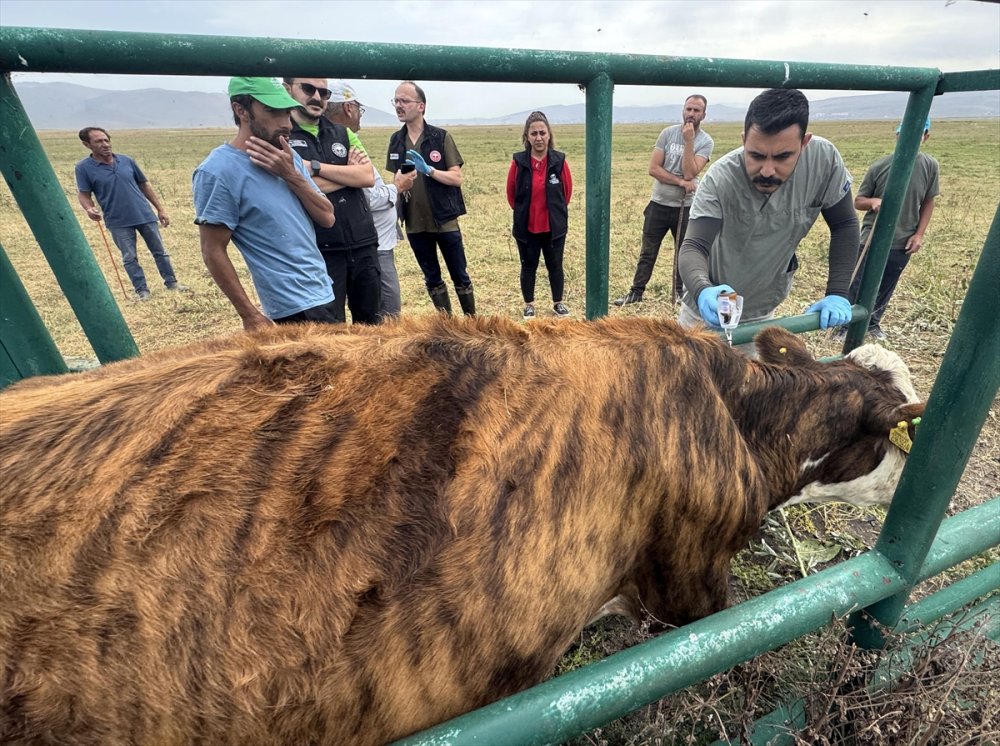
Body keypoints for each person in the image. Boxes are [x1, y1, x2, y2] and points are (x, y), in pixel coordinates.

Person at [677, 88, 859, 352]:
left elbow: (844, 224)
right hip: (707, 310)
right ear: (743, 141)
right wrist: (703, 290)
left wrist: (837, 292)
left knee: (747, 385)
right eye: (756, 155)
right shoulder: (721, 178)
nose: (767, 171)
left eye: (783, 156)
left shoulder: (824, 163)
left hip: (760, 309)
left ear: (804, 143)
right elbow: (694, 245)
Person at [192, 77, 337, 331]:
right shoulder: (218, 171)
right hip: (291, 309)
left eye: (287, 112)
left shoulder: (287, 156)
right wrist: (250, 316)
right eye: (272, 111)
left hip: (323, 290)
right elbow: (212, 250)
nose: (286, 123)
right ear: (241, 110)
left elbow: (327, 216)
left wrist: (290, 173)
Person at [283, 77, 380, 325]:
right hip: (320, 250)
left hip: (363, 244)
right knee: (329, 329)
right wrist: (347, 175)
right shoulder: (282, 136)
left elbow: (367, 176)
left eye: (324, 92)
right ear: (288, 90)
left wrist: (312, 169)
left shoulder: (343, 133)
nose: (317, 97)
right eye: (308, 89)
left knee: (371, 327)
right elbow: (293, 186)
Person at [385, 80, 476, 316]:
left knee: (460, 275)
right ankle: (446, 324)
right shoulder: (396, 141)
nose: (398, 105)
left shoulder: (440, 137)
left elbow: (457, 178)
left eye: (404, 100)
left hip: (444, 220)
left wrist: (430, 171)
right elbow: (395, 182)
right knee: (432, 278)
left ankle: (471, 321)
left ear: (421, 106)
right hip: (415, 223)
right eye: (396, 100)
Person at [614, 95, 713, 306]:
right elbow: (654, 169)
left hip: (686, 208)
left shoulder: (705, 142)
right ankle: (636, 292)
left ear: (703, 115)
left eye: (696, 111)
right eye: (688, 109)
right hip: (659, 204)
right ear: (682, 110)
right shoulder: (667, 134)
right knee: (648, 251)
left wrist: (689, 141)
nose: (691, 114)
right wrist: (679, 183)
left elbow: (690, 173)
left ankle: (680, 294)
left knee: (684, 253)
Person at [845, 118, 939, 341]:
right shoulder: (879, 167)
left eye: (918, 135)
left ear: (925, 137)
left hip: (903, 239)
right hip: (873, 237)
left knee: (887, 283)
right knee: (858, 281)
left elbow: (928, 201)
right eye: (903, 134)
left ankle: (873, 324)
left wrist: (919, 234)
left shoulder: (930, 166)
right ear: (897, 135)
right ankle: (845, 324)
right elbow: (858, 201)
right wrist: (873, 202)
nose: (909, 140)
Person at [75, 127, 187, 300]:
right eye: (98, 141)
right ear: (86, 144)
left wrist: (160, 209)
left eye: (106, 140)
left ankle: (172, 283)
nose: (105, 144)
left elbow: (144, 184)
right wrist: (89, 209)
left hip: (144, 214)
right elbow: (84, 194)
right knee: (129, 257)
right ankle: (142, 291)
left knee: (160, 251)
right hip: (117, 220)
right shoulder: (83, 168)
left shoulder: (126, 161)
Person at [325, 81, 402, 319]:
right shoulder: (344, 144)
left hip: (362, 243)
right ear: (349, 108)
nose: (359, 115)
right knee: (386, 314)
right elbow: (367, 193)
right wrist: (396, 188)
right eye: (359, 109)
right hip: (372, 244)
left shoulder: (334, 143)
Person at [506, 111, 573, 319]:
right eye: (533, 133)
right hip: (527, 227)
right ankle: (529, 304)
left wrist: (555, 214)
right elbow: (511, 193)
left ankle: (558, 302)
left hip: (553, 227)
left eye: (542, 133)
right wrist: (525, 212)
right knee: (528, 266)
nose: (538, 137)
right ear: (527, 136)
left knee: (555, 266)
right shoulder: (518, 162)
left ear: (549, 135)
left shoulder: (559, 161)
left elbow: (567, 192)